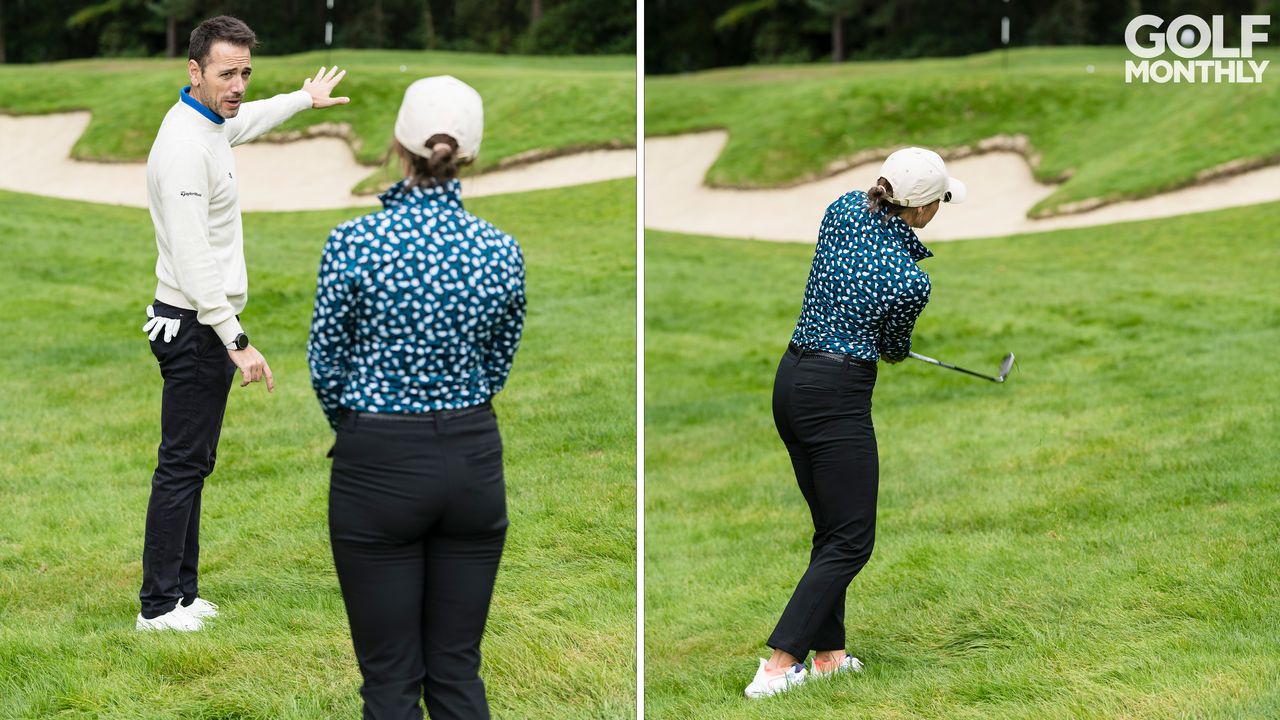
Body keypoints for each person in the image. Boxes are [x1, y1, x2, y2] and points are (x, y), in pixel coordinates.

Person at [308, 76, 525, 720]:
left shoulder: (353, 242)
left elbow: (327, 363)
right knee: (457, 672)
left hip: (376, 458)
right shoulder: (500, 249)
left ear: (398, 147)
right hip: (473, 459)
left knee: (390, 683)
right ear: (469, 156)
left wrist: (356, 429)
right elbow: (498, 360)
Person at [137, 15, 350, 632]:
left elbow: (246, 120)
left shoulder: (210, 124)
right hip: (194, 325)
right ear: (194, 70)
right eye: (226, 73)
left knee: (194, 462)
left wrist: (302, 100)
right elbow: (193, 253)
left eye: (245, 73)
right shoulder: (183, 148)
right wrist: (236, 340)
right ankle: (157, 606)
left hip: (199, 322)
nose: (237, 84)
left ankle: (182, 594)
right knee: (181, 465)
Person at [743, 147, 966, 698]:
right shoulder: (910, 282)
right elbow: (892, 348)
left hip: (791, 382)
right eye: (939, 199)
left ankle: (829, 657)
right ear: (920, 209)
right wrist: (894, 343)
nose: (940, 207)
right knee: (853, 540)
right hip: (835, 397)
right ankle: (777, 667)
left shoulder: (843, 207)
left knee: (831, 530)